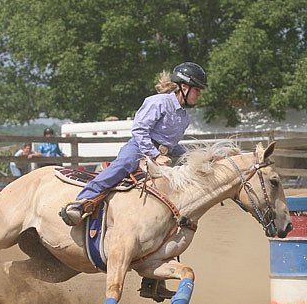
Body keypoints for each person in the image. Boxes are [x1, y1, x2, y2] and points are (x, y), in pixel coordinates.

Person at [59, 62, 207, 226]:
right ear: (184, 87)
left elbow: (172, 143)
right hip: (139, 147)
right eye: (197, 90)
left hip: (165, 153)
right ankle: (79, 203)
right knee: (123, 165)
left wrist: (191, 155)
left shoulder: (184, 117)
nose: (199, 94)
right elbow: (139, 130)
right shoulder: (158, 102)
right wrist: (155, 155)